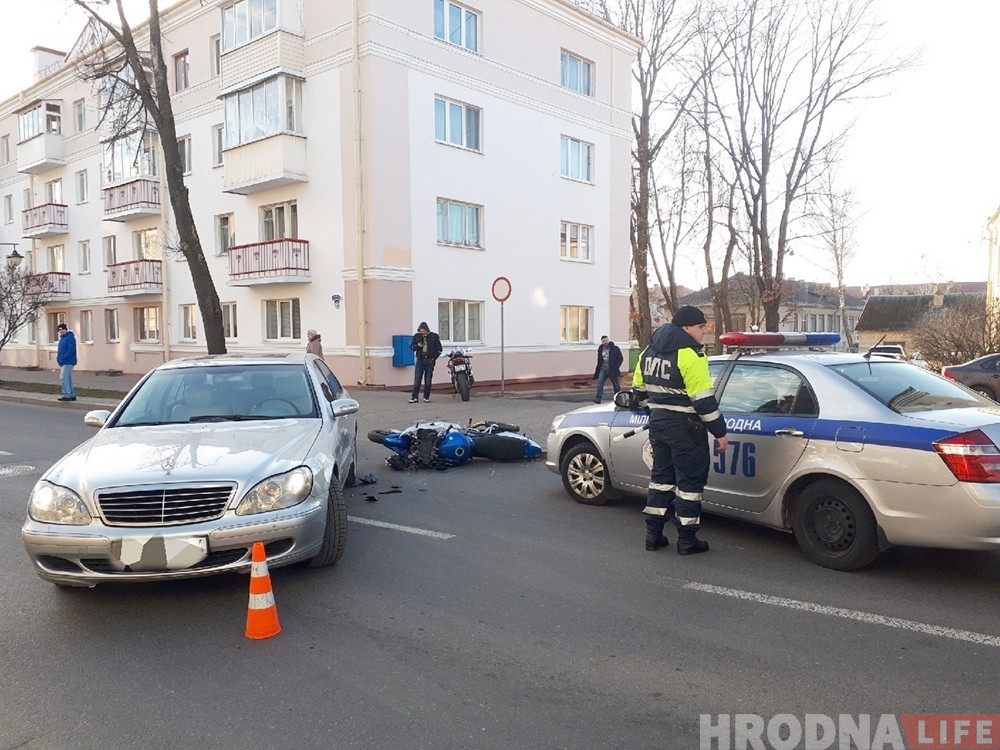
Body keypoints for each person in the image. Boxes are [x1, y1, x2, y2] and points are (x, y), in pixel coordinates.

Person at [632, 306, 728, 555]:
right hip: (687, 429)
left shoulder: (648, 351)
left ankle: (653, 535)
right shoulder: (689, 354)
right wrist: (720, 432)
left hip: (659, 426)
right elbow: (704, 401)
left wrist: (654, 413)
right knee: (689, 483)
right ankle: (687, 540)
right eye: (700, 327)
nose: (704, 332)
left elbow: (638, 391)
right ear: (686, 328)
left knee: (661, 479)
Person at [409, 321, 442, 403]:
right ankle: (414, 397)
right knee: (417, 379)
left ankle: (426, 397)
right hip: (420, 359)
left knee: (428, 379)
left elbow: (439, 349)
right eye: (421, 331)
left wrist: (433, 358)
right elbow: (412, 347)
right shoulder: (417, 336)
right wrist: (417, 346)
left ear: (427, 330)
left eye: (423, 331)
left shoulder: (433, 336)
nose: (422, 332)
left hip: (430, 360)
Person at [593, 335, 623, 403]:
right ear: (602, 342)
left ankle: (618, 399)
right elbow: (599, 360)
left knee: (616, 385)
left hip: (612, 369)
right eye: (604, 341)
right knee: (600, 383)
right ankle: (598, 398)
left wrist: (616, 367)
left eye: (606, 340)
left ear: (608, 340)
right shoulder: (600, 349)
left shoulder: (615, 348)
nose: (605, 342)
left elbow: (620, 358)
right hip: (603, 369)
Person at [56, 322, 78, 402]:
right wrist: (58, 358)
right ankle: (72, 394)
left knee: (63, 377)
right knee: (67, 377)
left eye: (62, 330)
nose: (61, 331)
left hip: (69, 361)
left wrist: (63, 358)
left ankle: (67, 395)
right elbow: (60, 350)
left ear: (65, 329)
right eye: (59, 330)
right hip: (64, 361)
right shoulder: (62, 338)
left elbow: (71, 350)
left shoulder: (70, 337)